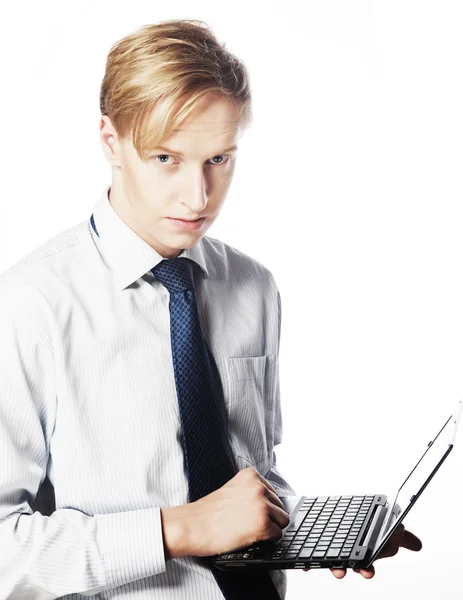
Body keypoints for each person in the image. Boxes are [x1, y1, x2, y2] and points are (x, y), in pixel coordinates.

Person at [0, 18, 421, 599]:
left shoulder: (253, 287)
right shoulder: (28, 307)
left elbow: (248, 473)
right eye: (166, 159)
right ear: (109, 141)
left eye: (219, 160)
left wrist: (314, 527)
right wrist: (179, 529)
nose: (198, 197)